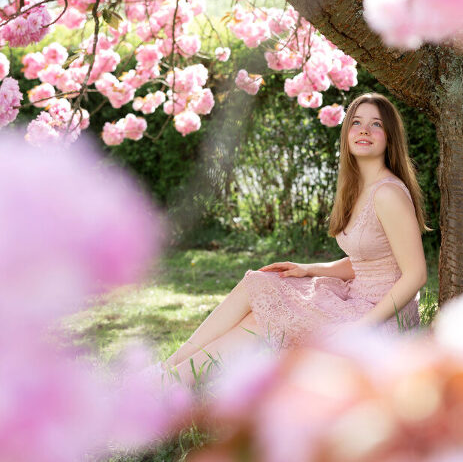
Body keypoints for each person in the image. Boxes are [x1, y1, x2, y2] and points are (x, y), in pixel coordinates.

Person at [162, 92, 431, 386]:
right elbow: (370, 262)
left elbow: (415, 274)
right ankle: (168, 369)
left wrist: (360, 327)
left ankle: (168, 382)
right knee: (259, 283)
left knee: (264, 320)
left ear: (390, 137)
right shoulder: (359, 189)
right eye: (356, 122)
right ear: (346, 133)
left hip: (380, 318)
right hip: (356, 299)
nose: (364, 130)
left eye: (376, 124)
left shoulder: (388, 194)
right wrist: (310, 268)